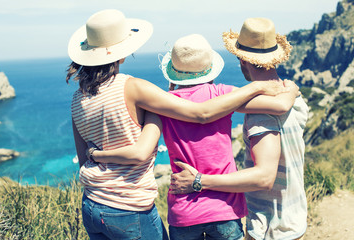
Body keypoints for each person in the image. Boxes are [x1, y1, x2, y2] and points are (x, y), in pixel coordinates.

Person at [67, 10, 288, 240]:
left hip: (95, 206)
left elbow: (84, 160)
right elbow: (202, 112)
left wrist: (99, 154)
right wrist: (261, 88)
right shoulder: (135, 89)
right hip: (136, 207)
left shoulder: (77, 100)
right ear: (122, 54)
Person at [169, 18, 309, 240]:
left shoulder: (260, 111)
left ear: (242, 60)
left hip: (270, 226)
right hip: (294, 218)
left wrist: (199, 181)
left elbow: (263, 177)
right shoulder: (295, 97)